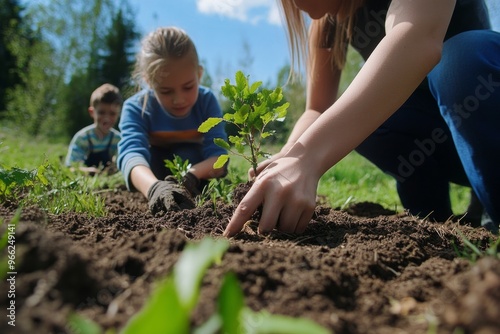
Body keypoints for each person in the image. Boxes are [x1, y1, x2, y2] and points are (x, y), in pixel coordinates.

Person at [224, 0, 500, 237]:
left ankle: (489, 200)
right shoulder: (328, 25)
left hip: (486, 125)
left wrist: (307, 159)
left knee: (461, 62)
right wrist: (288, 158)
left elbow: (417, 38)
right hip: (446, 142)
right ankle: (430, 219)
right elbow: (317, 110)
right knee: (356, 119)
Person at [117, 26, 228, 216]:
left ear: (199, 74)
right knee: (153, 160)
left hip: (195, 169)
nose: (179, 99)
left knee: (187, 153)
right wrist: (154, 189)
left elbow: (219, 157)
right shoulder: (136, 107)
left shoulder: (206, 101)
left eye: (188, 87)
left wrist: (191, 175)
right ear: (149, 82)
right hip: (153, 170)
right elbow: (131, 155)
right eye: (166, 91)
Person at [65, 83, 122, 174]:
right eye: (101, 112)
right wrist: (88, 171)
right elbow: (71, 166)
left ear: (118, 114)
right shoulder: (82, 138)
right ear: (92, 112)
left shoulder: (119, 140)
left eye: (112, 114)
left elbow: (121, 166)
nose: (106, 118)